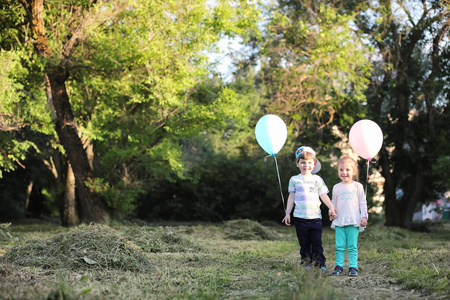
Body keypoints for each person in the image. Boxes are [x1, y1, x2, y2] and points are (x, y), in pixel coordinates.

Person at [284, 146, 337, 270]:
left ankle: (320, 264)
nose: (306, 165)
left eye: (309, 162)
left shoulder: (317, 179)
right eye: (303, 162)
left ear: (314, 164)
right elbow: (291, 197)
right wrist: (287, 213)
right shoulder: (294, 180)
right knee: (304, 243)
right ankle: (306, 263)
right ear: (297, 164)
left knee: (317, 243)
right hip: (300, 218)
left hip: (315, 218)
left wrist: (331, 207)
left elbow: (323, 195)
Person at [330, 156, 368, 277]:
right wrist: (331, 213)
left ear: (353, 171)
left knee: (352, 246)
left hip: (353, 221)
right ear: (338, 171)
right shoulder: (336, 187)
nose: (344, 172)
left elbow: (363, 203)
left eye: (347, 170)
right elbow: (333, 204)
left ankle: (353, 267)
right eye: (341, 170)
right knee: (339, 246)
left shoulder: (358, 186)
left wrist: (364, 217)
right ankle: (339, 266)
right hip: (340, 221)